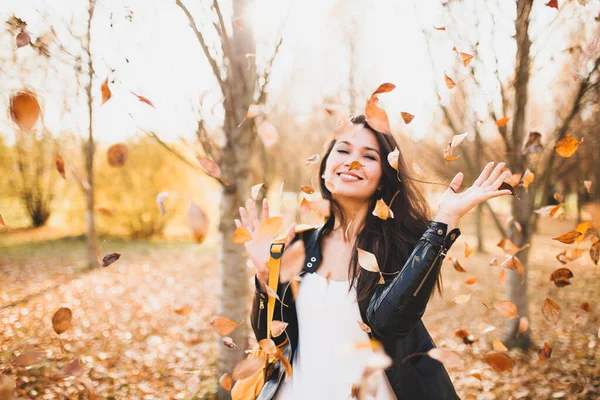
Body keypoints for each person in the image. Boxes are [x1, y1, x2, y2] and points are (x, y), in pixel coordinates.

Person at [235, 115, 513, 399]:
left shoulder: (405, 246)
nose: (352, 162)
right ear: (324, 169)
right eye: (343, 150)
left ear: (383, 179)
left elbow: (389, 323)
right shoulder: (298, 244)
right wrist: (264, 276)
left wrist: (445, 220)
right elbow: (268, 340)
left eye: (368, 156)